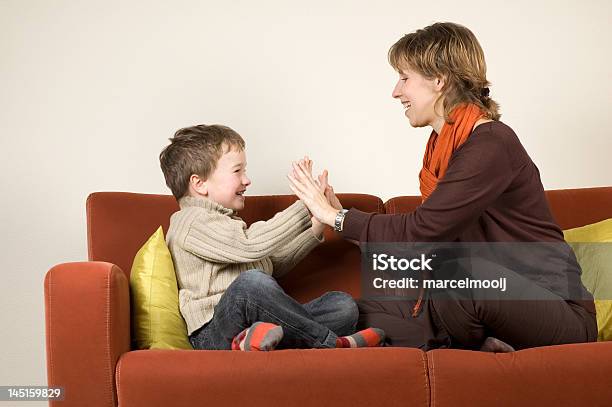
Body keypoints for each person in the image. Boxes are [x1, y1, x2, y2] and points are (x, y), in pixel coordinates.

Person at [287, 22, 597, 352]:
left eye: (405, 78)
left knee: (459, 272)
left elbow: (422, 233)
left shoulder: (491, 144)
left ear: (439, 79)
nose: (396, 91)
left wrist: (338, 217)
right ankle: (271, 329)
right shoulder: (444, 151)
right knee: (356, 311)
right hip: (477, 299)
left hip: (556, 314)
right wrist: (342, 220)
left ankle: (460, 342)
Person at [159, 124, 385, 351]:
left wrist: (317, 222)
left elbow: (269, 264)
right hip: (212, 334)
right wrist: (306, 203)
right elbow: (251, 245)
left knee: (342, 306)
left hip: (254, 324)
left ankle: (254, 340)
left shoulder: (226, 223)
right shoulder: (190, 222)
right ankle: (330, 342)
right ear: (199, 184)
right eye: (237, 171)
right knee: (251, 283)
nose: (247, 180)